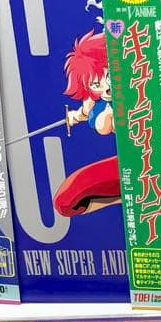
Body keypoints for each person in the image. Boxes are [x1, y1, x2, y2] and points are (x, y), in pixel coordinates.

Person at [55, 30, 121, 217]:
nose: (106, 87)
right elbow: (96, 120)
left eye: (108, 76)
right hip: (136, 157)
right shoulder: (100, 106)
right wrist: (77, 115)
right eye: (96, 84)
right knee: (65, 201)